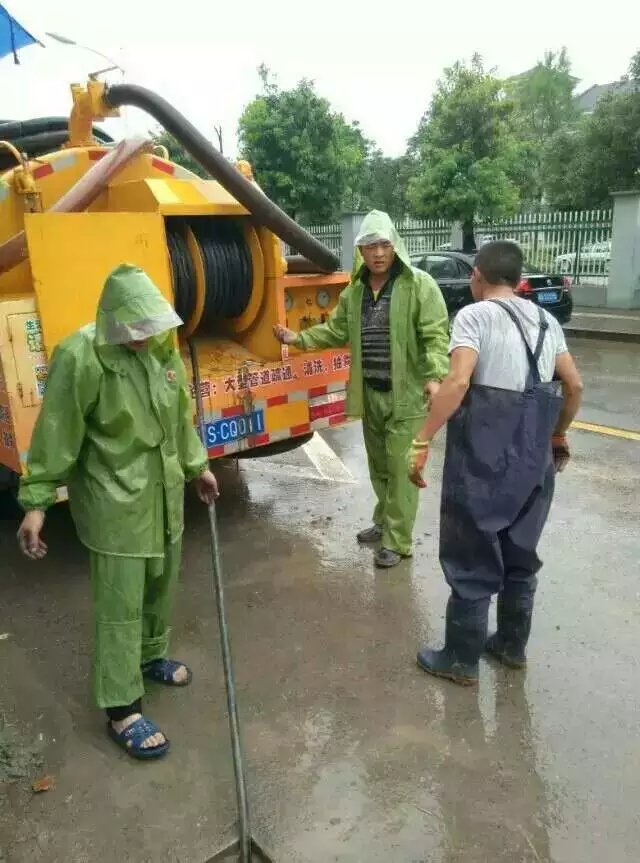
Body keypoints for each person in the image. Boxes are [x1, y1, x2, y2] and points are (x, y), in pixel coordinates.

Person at [17, 263, 219, 758]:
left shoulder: (159, 349)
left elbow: (178, 417)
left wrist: (198, 468)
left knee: (159, 585)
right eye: (133, 329)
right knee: (119, 607)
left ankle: (150, 658)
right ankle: (121, 706)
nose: (142, 337)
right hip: (114, 503)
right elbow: (57, 432)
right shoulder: (80, 356)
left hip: (164, 495)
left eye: (149, 327)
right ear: (113, 321)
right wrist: (37, 502)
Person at [409, 241, 583, 685]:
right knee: (520, 551)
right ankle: (510, 646)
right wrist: (558, 434)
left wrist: (423, 438)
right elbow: (574, 385)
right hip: (533, 455)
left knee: (473, 549)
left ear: (478, 275)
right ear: (517, 278)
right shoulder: (546, 320)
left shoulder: (473, 316)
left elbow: (459, 380)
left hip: (485, 455)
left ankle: (461, 659)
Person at [274, 210, 450, 568]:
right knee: (380, 465)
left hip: (408, 396)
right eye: (370, 246)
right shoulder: (355, 292)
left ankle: (398, 542)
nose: (379, 253)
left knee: (402, 470)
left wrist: (434, 376)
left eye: (384, 244)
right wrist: (299, 338)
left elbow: (435, 335)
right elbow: (335, 331)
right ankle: (384, 521)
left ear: (395, 245)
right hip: (370, 391)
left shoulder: (419, 285)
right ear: (361, 252)